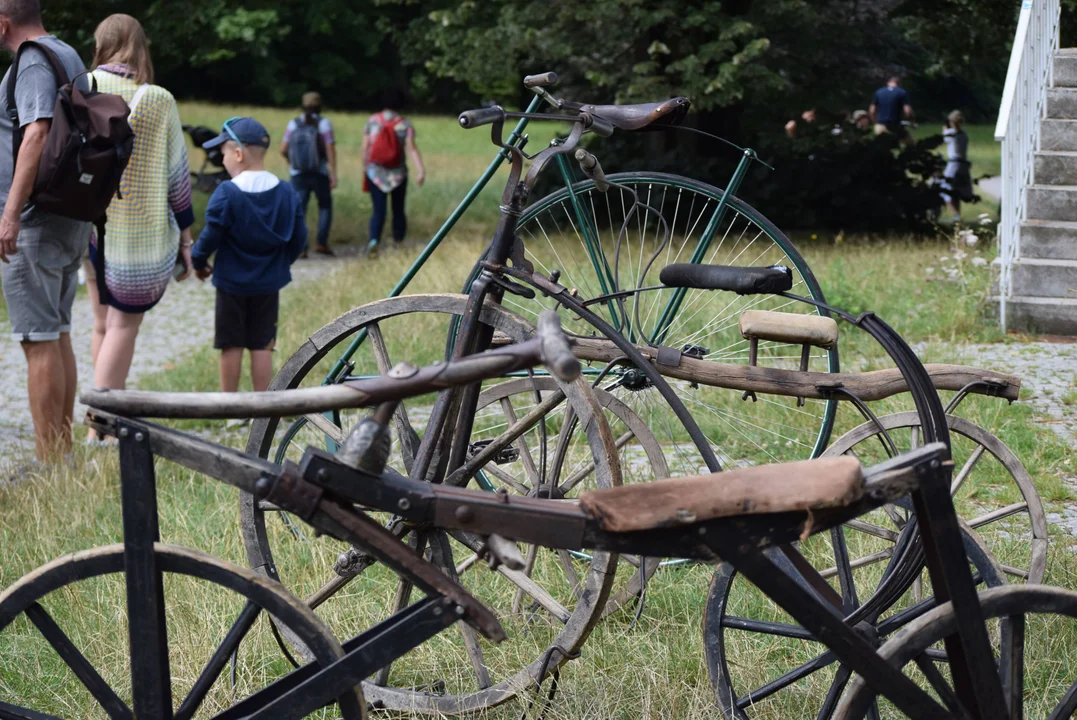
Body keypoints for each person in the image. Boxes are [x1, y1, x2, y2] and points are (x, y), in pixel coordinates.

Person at [85, 14, 195, 443]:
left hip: (90, 227)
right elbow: (177, 180)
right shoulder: (158, 100)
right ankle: (100, 424)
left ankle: (104, 417)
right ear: (139, 46)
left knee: (100, 323)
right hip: (138, 235)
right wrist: (186, 237)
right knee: (123, 328)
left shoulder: (82, 87)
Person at [0, 0, 92, 462]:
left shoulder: (33, 61)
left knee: (38, 338)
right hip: (67, 210)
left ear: (3, 23)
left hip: (37, 219)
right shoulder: (68, 54)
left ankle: (49, 459)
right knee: (56, 333)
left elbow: (36, 134)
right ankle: (63, 450)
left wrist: (10, 213)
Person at [191, 118, 307, 393]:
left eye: (223, 154)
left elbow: (211, 236)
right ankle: (262, 410)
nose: (222, 159)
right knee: (263, 343)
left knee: (230, 344)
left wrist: (198, 261)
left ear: (239, 154)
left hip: (231, 282)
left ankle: (229, 407)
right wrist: (281, 263)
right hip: (268, 282)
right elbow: (299, 237)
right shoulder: (287, 192)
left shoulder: (226, 193)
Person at [362, 89, 425, 253]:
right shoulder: (404, 124)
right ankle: (398, 242)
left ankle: (374, 240)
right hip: (398, 174)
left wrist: (365, 168)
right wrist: (420, 170)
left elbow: (365, 148)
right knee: (398, 210)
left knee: (378, 210)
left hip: (375, 173)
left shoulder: (372, 121)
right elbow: (412, 148)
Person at [281, 91, 335, 256]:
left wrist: (293, 164)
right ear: (320, 106)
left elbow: (283, 149)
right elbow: (330, 149)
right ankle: (321, 243)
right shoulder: (324, 124)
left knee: (300, 209)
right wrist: (333, 172)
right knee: (325, 206)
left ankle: (301, 248)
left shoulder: (293, 124)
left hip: (298, 174)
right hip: (319, 172)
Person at [939, 110, 974, 219]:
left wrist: (944, 129)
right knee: (957, 191)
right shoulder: (964, 134)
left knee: (945, 189)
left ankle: (956, 215)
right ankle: (957, 216)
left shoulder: (951, 134)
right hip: (963, 164)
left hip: (954, 165)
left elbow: (944, 137)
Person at [869, 76, 915, 146]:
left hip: (880, 125)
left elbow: (872, 111)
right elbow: (908, 111)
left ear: (888, 83)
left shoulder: (879, 92)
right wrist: (911, 122)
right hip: (895, 125)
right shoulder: (902, 92)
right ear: (899, 84)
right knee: (912, 145)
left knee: (881, 148)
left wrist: (876, 122)